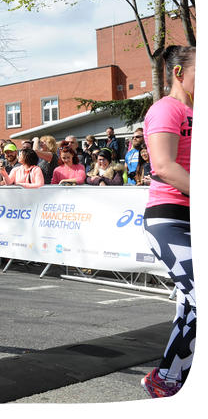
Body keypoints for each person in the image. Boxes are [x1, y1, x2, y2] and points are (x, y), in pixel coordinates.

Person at [140, 45, 194, 398]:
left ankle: (174, 378)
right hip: (169, 219)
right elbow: (163, 166)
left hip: (195, 217)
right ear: (179, 74)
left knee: (192, 303)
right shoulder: (166, 109)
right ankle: (166, 379)